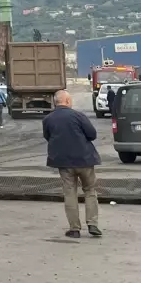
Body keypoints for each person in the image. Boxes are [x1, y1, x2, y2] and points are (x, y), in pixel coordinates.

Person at [42, 89, 102, 239]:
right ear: (67, 101)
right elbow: (92, 134)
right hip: (84, 160)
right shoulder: (78, 116)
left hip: (63, 162)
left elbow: (47, 137)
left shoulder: (48, 119)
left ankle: (74, 229)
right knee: (89, 190)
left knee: (70, 193)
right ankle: (92, 224)